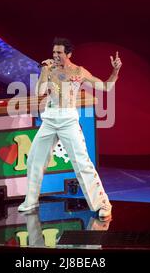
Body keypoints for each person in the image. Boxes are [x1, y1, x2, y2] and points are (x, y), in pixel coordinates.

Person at [18, 37, 122, 220]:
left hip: (68, 121)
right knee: (34, 159)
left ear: (68, 54)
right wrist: (45, 71)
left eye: (59, 52)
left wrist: (115, 70)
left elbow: (105, 87)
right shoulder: (49, 70)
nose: (55, 56)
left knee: (82, 164)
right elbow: (39, 92)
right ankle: (31, 201)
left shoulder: (79, 72)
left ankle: (103, 204)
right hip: (49, 120)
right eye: (54, 52)